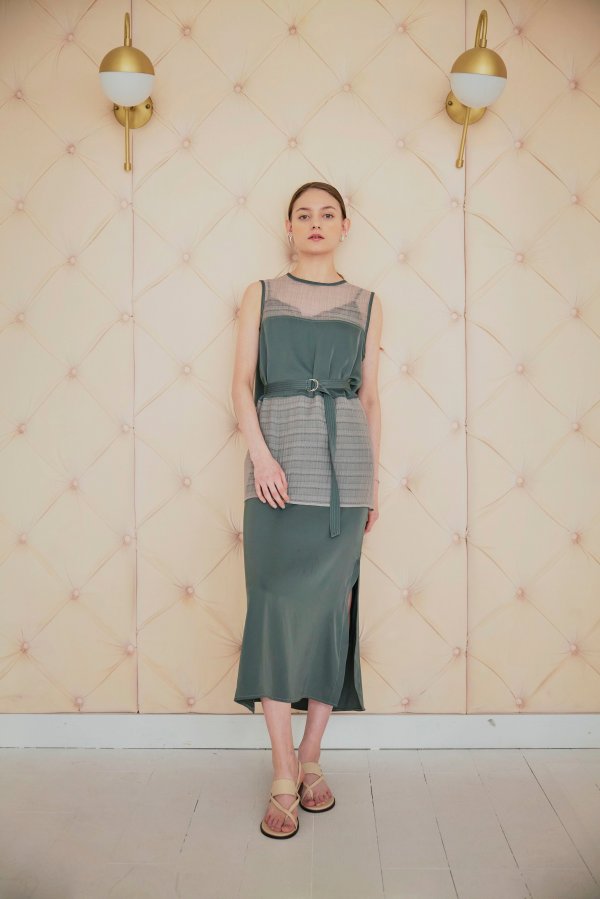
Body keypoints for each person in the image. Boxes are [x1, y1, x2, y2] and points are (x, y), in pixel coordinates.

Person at [231, 181, 382, 838]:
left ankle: (312, 755)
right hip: (275, 472)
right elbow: (241, 384)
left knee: (332, 613)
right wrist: (262, 457)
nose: (315, 222)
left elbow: (370, 398)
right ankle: (283, 766)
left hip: (345, 474)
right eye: (303, 214)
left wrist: (372, 484)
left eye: (327, 214)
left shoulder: (368, 302)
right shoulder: (260, 294)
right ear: (288, 226)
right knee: (270, 609)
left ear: (345, 226)